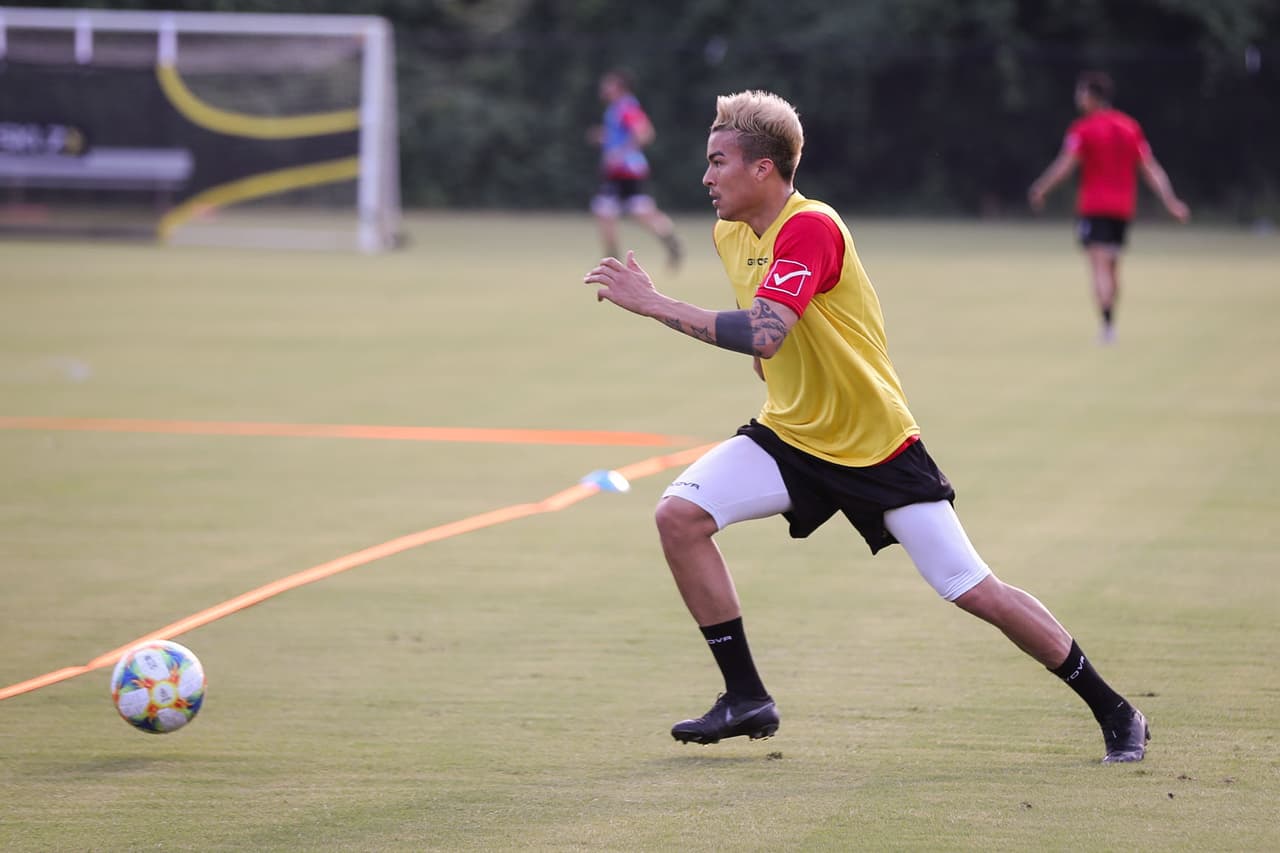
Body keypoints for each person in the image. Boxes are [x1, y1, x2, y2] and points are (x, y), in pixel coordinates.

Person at [584, 89, 1150, 764]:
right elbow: (776, 338)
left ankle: (1117, 710)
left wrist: (654, 303)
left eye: (718, 162)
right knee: (679, 515)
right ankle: (746, 697)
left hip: (875, 446)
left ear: (763, 169)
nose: (705, 177)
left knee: (972, 588)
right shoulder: (730, 231)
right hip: (792, 437)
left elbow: (765, 331)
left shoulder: (811, 225)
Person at [1028, 70, 1190, 344]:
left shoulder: (1083, 129)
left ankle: (1107, 327)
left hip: (1094, 208)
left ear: (1092, 97)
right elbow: (1150, 168)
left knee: (1099, 268)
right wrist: (1170, 200)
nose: (1077, 98)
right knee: (1113, 268)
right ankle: (1111, 321)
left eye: (1081, 93)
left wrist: (1041, 187)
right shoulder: (1130, 127)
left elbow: (1065, 166)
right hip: (1123, 209)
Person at [589, 70, 682, 268]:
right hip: (621, 172)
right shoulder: (615, 109)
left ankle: (612, 261)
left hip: (626, 171)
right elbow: (622, 135)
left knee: (611, 211)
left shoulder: (626, 107)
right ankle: (667, 237)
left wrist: (619, 154)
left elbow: (644, 133)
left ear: (620, 88)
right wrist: (604, 138)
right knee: (620, 211)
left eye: (609, 84)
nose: (604, 88)